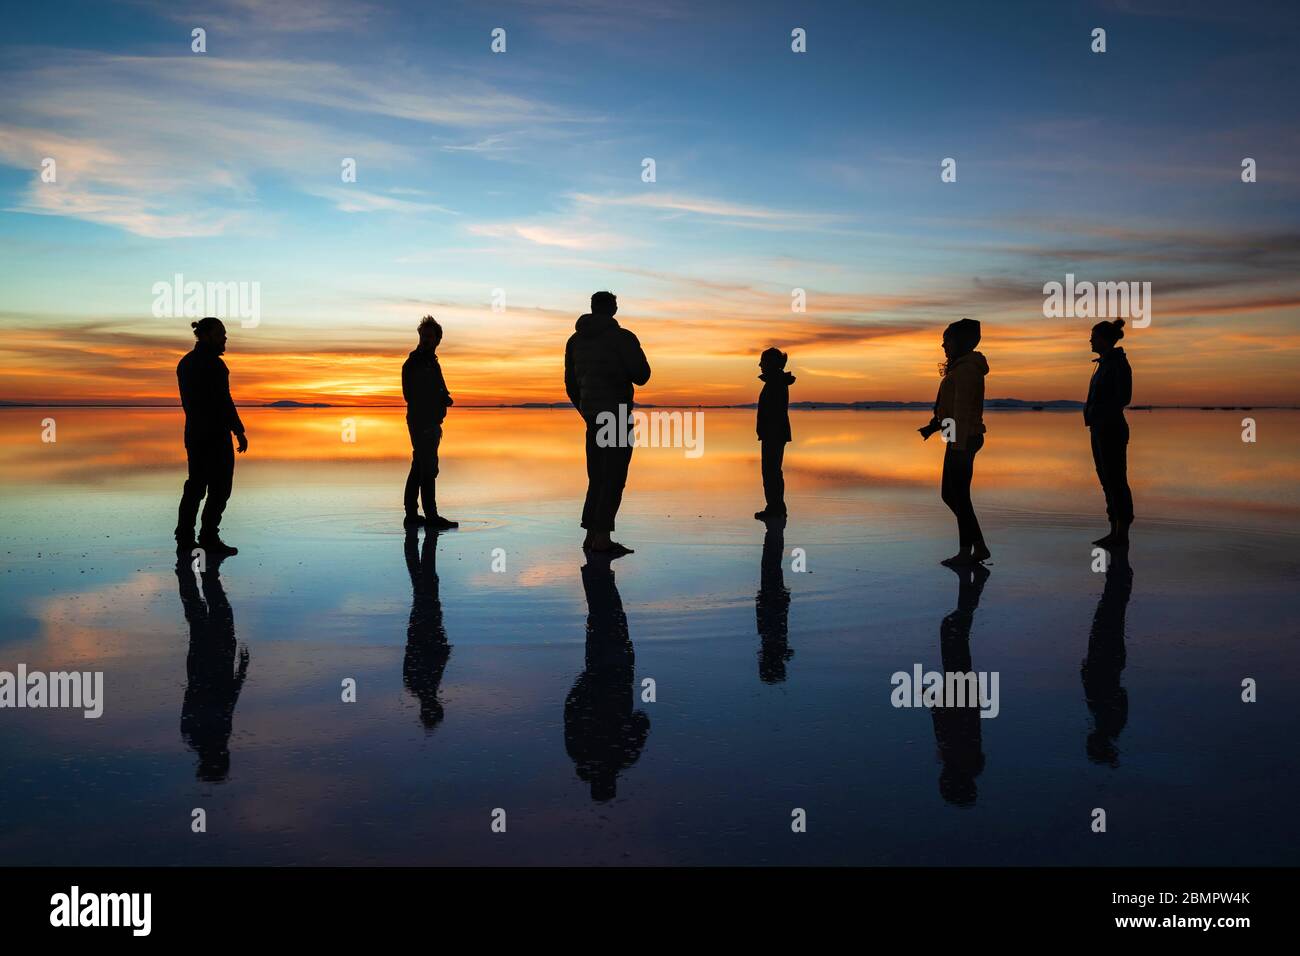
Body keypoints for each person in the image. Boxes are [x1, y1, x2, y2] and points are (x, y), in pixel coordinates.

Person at [564, 291, 651, 555]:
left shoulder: (574, 341)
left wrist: (585, 410)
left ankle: (591, 535)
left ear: (592, 308)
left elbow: (570, 384)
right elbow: (642, 375)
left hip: (592, 416)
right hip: (615, 415)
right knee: (613, 478)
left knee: (597, 477)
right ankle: (601, 538)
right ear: (613, 309)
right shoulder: (623, 337)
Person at [918, 318, 990, 566]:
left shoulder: (968, 370)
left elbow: (961, 411)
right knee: (951, 495)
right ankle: (977, 546)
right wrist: (935, 426)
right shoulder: (959, 368)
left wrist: (956, 446)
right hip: (958, 438)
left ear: (960, 341)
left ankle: (968, 550)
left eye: (947, 339)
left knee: (958, 496)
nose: (943, 344)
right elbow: (950, 409)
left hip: (965, 439)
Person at [175, 317, 247, 556]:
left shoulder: (185, 363)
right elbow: (224, 401)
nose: (225, 338)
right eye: (220, 334)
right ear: (206, 336)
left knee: (196, 486)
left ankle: (186, 538)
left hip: (195, 434)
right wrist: (238, 430)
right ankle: (206, 537)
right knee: (218, 488)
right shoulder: (213, 365)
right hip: (213, 436)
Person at [403, 315, 458, 531]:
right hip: (421, 422)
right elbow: (411, 394)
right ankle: (431, 516)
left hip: (432, 421)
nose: (425, 339)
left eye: (429, 336)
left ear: (437, 340)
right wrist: (435, 400)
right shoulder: (415, 363)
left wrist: (444, 398)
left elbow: (437, 389)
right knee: (428, 469)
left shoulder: (432, 364)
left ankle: (411, 515)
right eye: (423, 335)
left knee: (419, 466)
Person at [1084, 319, 1134, 548]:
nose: (1090, 340)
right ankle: (1114, 530)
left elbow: (1123, 398)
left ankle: (1121, 534)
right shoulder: (1104, 363)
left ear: (1104, 339)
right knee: (1106, 480)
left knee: (1116, 481)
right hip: (1099, 429)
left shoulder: (1117, 364)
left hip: (1111, 429)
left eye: (1093, 336)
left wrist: (1101, 414)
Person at [754, 347, 795, 521]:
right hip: (773, 433)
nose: (759, 365)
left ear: (771, 363)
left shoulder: (776, 382)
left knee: (771, 472)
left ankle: (775, 508)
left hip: (774, 433)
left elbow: (774, 411)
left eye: (763, 361)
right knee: (772, 472)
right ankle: (775, 507)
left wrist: (768, 430)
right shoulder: (775, 381)